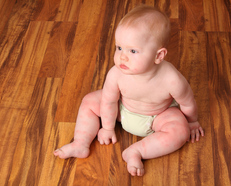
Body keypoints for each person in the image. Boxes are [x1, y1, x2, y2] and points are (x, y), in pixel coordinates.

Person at [54, 5, 204, 176]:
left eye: (133, 51)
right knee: (89, 101)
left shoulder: (172, 80)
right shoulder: (116, 74)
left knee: (180, 131)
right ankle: (80, 143)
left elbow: (188, 103)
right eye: (119, 48)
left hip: (158, 116)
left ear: (158, 56)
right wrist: (108, 128)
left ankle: (136, 151)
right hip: (122, 110)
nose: (122, 56)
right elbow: (109, 101)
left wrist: (192, 122)